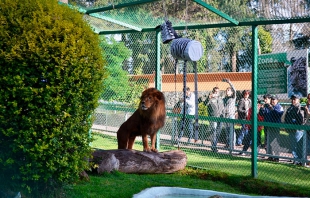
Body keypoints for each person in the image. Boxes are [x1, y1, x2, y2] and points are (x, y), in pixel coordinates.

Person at [259, 94, 284, 162]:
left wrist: (272, 108)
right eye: (272, 99)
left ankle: (276, 157)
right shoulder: (268, 106)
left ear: (277, 100)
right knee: (268, 142)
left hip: (275, 127)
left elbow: (278, 114)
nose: (273, 101)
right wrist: (262, 108)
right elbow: (261, 114)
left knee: (275, 142)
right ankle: (270, 156)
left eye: (274, 99)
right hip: (267, 126)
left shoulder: (279, 107)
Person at [284, 94, 306, 165]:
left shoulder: (300, 108)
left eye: (295, 99)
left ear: (298, 100)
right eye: (292, 99)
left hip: (298, 130)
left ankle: (300, 160)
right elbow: (286, 118)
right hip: (291, 129)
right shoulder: (290, 108)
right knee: (293, 146)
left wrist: (294, 121)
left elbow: (301, 120)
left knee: (298, 146)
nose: (293, 100)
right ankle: (296, 160)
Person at [204, 86, 224, 152]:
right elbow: (205, 103)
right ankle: (214, 146)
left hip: (220, 117)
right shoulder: (210, 98)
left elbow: (222, 107)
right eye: (215, 91)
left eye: (217, 92)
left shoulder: (220, 98)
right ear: (213, 91)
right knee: (214, 131)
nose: (216, 93)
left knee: (218, 131)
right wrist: (208, 98)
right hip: (213, 117)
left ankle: (214, 144)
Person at [222, 78, 237, 149]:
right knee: (227, 131)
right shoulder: (224, 99)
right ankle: (228, 144)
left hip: (231, 116)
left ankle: (232, 145)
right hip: (226, 116)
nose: (227, 92)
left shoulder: (233, 97)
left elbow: (235, 90)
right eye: (226, 91)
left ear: (231, 92)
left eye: (228, 90)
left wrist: (229, 82)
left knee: (232, 131)